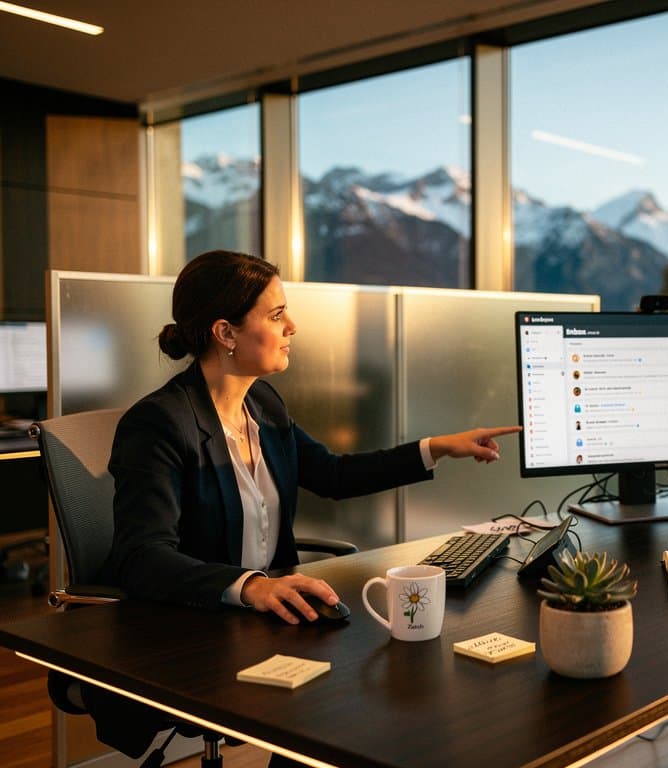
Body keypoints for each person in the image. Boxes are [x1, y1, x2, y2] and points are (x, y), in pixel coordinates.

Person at [59, 250, 519, 762]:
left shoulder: (265, 405)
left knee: (382, 691)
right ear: (225, 333)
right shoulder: (160, 424)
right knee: (353, 709)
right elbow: (144, 556)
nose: (292, 326)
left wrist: (437, 447)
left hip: (265, 622)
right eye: (276, 315)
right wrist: (252, 586)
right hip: (196, 624)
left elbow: (334, 475)